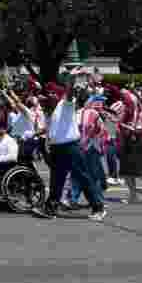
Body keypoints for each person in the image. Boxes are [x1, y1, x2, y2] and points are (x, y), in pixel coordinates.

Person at [42, 82, 107, 222]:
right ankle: (50, 208)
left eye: (54, 92)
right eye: (49, 93)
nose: (50, 95)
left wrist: (70, 80)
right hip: (57, 148)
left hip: (70, 147)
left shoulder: (65, 104)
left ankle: (98, 207)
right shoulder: (52, 110)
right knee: (56, 180)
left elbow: (70, 93)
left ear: (60, 94)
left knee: (82, 177)